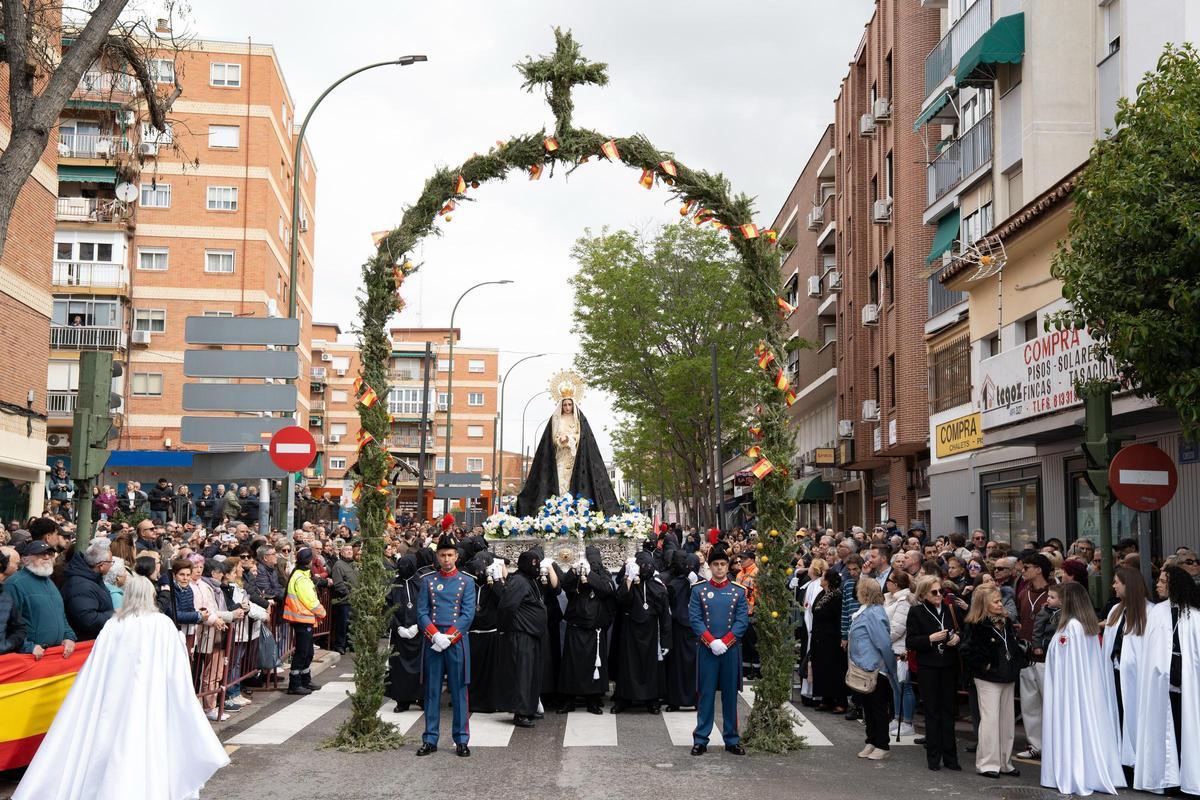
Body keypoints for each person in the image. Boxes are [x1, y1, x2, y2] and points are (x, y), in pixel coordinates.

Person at [12, 575, 229, 800]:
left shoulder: (114, 624)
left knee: (109, 741)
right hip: (151, 696)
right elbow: (176, 666)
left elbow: (98, 666)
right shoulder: (161, 624)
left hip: (114, 697)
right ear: (151, 595)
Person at [1041, 581, 1125, 795]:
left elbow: (1064, 665)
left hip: (1068, 693)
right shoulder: (1085, 625)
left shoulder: (1071, 628)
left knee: (1073, 729)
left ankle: (1072, 771)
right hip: (1082, 691)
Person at [1135, 566, 1199, 795]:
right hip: (1162, 684)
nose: (1158, 585)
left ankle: (1189, 779)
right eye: (1159, 580)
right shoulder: (1157, 612)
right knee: (1163, 729)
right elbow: (1150, 650)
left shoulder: (1194, 615)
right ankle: (1167, 779)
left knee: (1188, 729)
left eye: (1163, 581)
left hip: (1188, 684)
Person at [515, 372, 618, 515]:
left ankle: (575, 508)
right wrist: (560, 440)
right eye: (565, 404)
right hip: (560, 456)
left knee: (574, 480)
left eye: (570, 404)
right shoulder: (556, 419)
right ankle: (559, 507)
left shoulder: (579, 419)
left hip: (576, 457)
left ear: (573, 405)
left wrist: (571, 439)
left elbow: (583, 437)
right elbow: (551, 438)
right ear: (561, 405)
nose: (567, 407)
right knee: (561, 480)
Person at [416, 533, 476, 757]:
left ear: (457, 556)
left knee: (459, 690)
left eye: (450, 555)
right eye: (443, 555)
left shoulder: (467, 582)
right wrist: (434, 636)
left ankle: (461, 739)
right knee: (432, 691)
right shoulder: (428, 580)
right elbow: (421, 612)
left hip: (456, 641)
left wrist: (448, 637)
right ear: (437, 556)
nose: (446, 559)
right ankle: (430, 739)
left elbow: (467, 615)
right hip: (433, 642)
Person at [688, 542, 748, 756]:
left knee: (730, 696)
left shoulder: (738, 592)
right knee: (705, 695)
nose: (720, 568)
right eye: (716, 564)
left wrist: (726, 641)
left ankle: (731, 739)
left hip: (730, 651)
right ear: (710, 567)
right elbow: (695, 619)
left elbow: (742, 621)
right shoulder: (699, 590)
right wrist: (711, 641)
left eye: (723, 564)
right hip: (707, 650)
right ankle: (701, 738)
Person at [961, 583, 1025, 779]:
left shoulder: (1004, 621)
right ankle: (988, 763)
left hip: (1007, 675)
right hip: (988, 677)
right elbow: (966, 650)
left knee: (1006, 720)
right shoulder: (975, 624)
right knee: (990, 720)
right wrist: (985, 666)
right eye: (995, 601)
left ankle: (1005, 762)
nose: (1000, 604)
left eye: (1000, 601)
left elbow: (1010, 645)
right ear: (984, 603)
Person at [907, 573, 962, 771]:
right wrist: (929, 638)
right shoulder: (916, 612)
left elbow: (959, 631)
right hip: (928, 666)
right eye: (934, 592)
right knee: (932, 712)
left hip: (948, 664)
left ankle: (951, 757)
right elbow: (911, 642)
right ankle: (933, 757)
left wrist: (956, 639)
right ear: (923, 594)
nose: (939, 595)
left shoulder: (949, 609)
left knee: (948, 711)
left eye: (941, 591)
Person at [1102, 565, 1151, 776]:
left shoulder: (1149, 611)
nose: (1113, 585)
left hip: (1135, 676)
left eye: (1116, 582)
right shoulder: (1116, 610)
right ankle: (1121, 759)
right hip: (1115, 671)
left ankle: (1136, 762)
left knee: (1134, 715)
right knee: (1119, 713)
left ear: (1128, 585)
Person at [555, 544, 615, 715]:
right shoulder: (576, 572)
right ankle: (569, 699)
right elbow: (566, 586)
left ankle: (593, 700)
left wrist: (590, 574)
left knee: (594, 666)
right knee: (571, 666)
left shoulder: (604, 575)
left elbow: (606, 589)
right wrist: (574, 572)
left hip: (595, 628)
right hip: (576, 626)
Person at [611, 551, 671, 714]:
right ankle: (624, 698)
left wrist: (666, 641)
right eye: (643, 565)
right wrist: (629, 578)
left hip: (651, 631)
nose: (647, 568)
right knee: (628, 665)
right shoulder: (630, 582)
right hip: (630, 629)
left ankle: (651, 699)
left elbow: (665, 615)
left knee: (650, 666)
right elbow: (622, 599)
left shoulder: (658, 586)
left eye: (650, 566)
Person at [500, 547, 551, 728]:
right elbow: (507, 606)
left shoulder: (529, 580)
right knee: (522, 674)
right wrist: (511, 627)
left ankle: (529, 708)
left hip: (532, 634)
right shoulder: (519, 581)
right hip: (521, 635)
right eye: (533, 564)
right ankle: (520, 713)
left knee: (532, 674)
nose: (536, 568)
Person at [848, 577, 897, 760]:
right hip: (863, 667)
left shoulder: (875, 613)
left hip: (876, 669)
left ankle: (882, 744)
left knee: (877, 708)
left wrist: (890, 669)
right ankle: (871, 740)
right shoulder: (866, 610)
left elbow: (883, 644)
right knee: (868, 708)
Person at [5, 541, 77, 658]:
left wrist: (69, 637)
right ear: (25, 559)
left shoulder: (50, 583)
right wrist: (27, 646)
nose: (47, 557)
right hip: (29, 658)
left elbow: (61, 616)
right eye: (40, 554)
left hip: (53, 657)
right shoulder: (14, 584)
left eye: (50, 553)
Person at [1016, 552, 1053, 760]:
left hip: (1046, 657)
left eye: (1027, 567)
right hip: (1026, 655)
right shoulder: (1023, 593)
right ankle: (1035, 745)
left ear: (1038, 569)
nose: (1023, 570)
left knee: (1049, 702)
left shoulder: (1053, 593)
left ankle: (1053, 744)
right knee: (1030, 704)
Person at [282, 547, 326, 696]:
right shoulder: (301, 578)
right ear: (310, 561)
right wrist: (322, 611)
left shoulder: (301, 575)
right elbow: (310, 601)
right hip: (301, 619)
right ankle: (295, 684)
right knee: (302, 652)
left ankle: (305, 680)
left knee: (307, 652)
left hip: (303, 619)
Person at [386, 555, 424, 713]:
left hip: (420, 633)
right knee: (399, 668)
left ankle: (421, 697)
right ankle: (402, 700)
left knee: (421, 667)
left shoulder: (422, 583)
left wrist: (418, 625)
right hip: (400, 633)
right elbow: (387, 607)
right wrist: (398, 627)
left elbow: (428, 606)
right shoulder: (394, 584)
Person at [664, 551, 701, 711]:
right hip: (679, 629)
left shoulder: (703, 584)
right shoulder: (674, 584)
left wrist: (695, 586)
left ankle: (697, 699)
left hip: (697, 630)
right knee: (677, 666)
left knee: (696, 667)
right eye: (688, 566)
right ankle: (675, 700)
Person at [59, 538, 115, 640]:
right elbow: (89, 620)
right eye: (111, 562)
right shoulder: (81, 586)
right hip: (84, 641)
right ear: (101, 565)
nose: (112, 565)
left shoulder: (93, 578)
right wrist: (114, 614)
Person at [883, 570, 916, 736]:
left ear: (896, 584)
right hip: (890, 648)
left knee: (904, 686)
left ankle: (908, 721)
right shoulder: (891, 599)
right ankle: (897, 717)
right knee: (895, 686)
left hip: (900, 649)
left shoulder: (904, 601)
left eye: (889, 580)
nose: (887, 583)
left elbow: (897, 628)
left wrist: (882, 640)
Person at [811, 569, 846, 713]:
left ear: (828, 580)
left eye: (823, 577)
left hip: (832, 638)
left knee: (834, 670)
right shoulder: (821, 594)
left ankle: (840, 701)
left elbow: (837, 617)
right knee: (822, 669)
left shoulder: (837, 597)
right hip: (820, 637)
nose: (820, 579)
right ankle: (826, 699)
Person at [329, 542, 359, 654]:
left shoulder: (354, 564)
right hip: (344, 601)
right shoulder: (338, 565)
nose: (349, 551)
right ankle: (339, 645)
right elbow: (338, 584)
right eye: (346, 550)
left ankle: (350, 643)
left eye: (351, 549)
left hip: (355, 599)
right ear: (341, 552)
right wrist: (348, 594)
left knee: (352, 624)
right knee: (342, 624)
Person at [0, 546, 28, 654]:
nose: (18, 567)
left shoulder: (6, 597)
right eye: (16, 563)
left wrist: (6, 645)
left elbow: (19, 628)